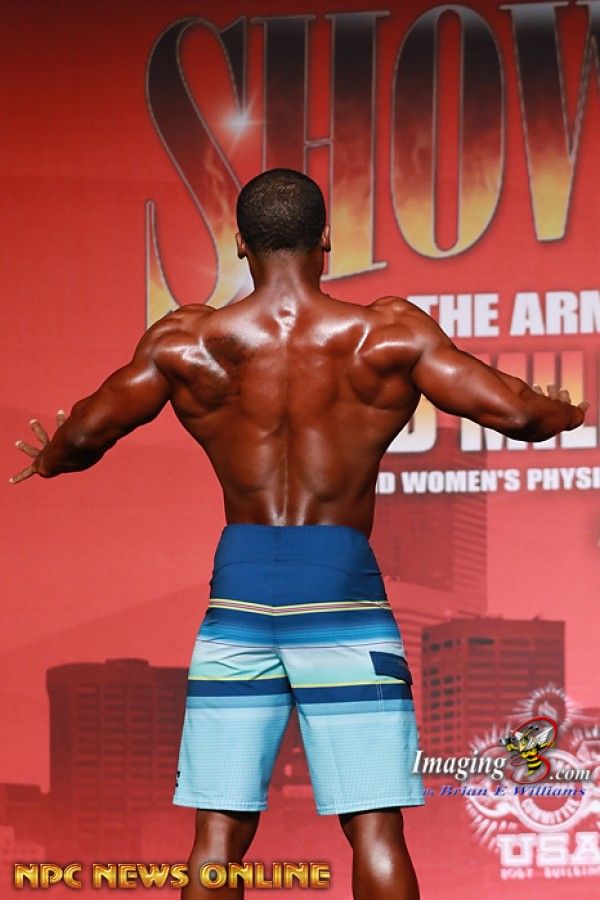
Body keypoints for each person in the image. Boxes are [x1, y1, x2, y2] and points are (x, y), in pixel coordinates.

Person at [11, 168, 588, 900]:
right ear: (327, 241)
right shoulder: (385, 334)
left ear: (240, 245)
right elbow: (518, 414)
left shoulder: (186, 342)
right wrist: (567, 411)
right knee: (374, 825)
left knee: (217, 834)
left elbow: (87, 434)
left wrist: (50, 458)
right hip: (342, 588)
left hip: (241, 590)